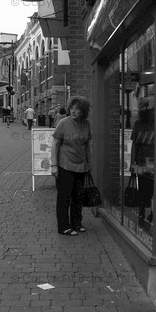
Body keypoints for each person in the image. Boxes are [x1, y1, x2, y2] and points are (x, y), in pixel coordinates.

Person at [50, 96, 92, 236]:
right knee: (64, 197)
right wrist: (54, 165)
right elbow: (55, 144)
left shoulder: (86, 124)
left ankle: (77, 223)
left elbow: (86, 146)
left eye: (77, 109)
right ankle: (63, 226)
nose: (73, 111)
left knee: (78, 196)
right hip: (65, 165)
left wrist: (88, 164)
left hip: (81, 166)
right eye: (72, 108)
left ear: (83, 111)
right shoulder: (63, 123)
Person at [130, 99, 154, 225]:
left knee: (150, 188)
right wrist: (132, 164)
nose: (145, 111)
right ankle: (143, 213)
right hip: (141, 161)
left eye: (147, 109)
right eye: (143, 109)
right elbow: (134, 144)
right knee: (143, 188)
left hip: (153, 162)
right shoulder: (138, 124)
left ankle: (149, 212)